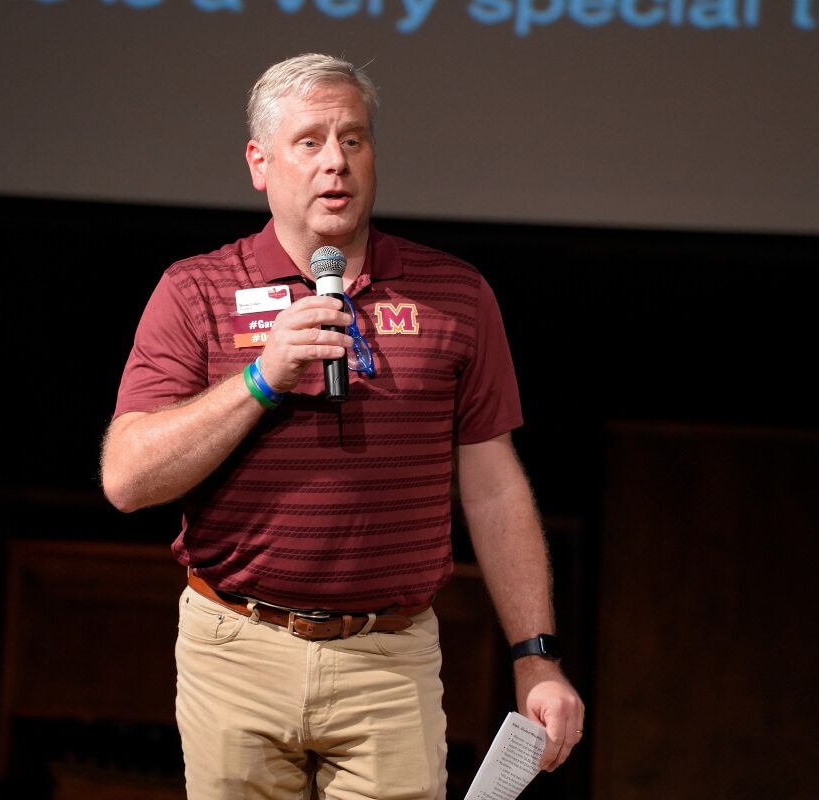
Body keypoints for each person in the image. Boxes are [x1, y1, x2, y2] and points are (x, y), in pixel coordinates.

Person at [99, 52, 584, 800]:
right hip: (236, 649)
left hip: (387, 661)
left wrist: (537, 657)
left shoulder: (454, 295)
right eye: (311, 142)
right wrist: (262, 379)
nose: (337, 164)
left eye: (353, 140)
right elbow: (128, 479)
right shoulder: (196, 290)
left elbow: (492, 489)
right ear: (259, 163)